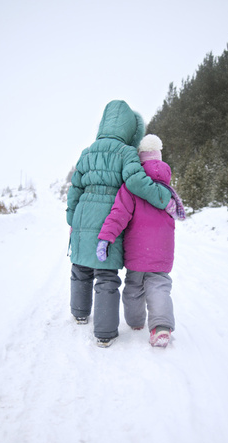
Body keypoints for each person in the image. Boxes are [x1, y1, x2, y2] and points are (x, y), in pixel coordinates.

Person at [66, 101, 176, 348]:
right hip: (109, 215)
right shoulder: (126, 153)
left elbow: (76, 188)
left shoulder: (88, 151)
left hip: (83, 214)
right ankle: (104, 333)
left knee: (80, 268)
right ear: (130, 129)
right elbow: (136, 182)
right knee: (106, 275)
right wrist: (161, 197)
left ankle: (79, 312)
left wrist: (72, 219)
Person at [96, 134, 185, 348]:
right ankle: (161, 327)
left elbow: (118, 215)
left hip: (137, 251)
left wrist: (106, 238)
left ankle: (135, 322)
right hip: (162, 252)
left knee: (134, 288)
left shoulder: (130, 188)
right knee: (159, 287)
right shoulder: (168, 190)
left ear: (140, 161)